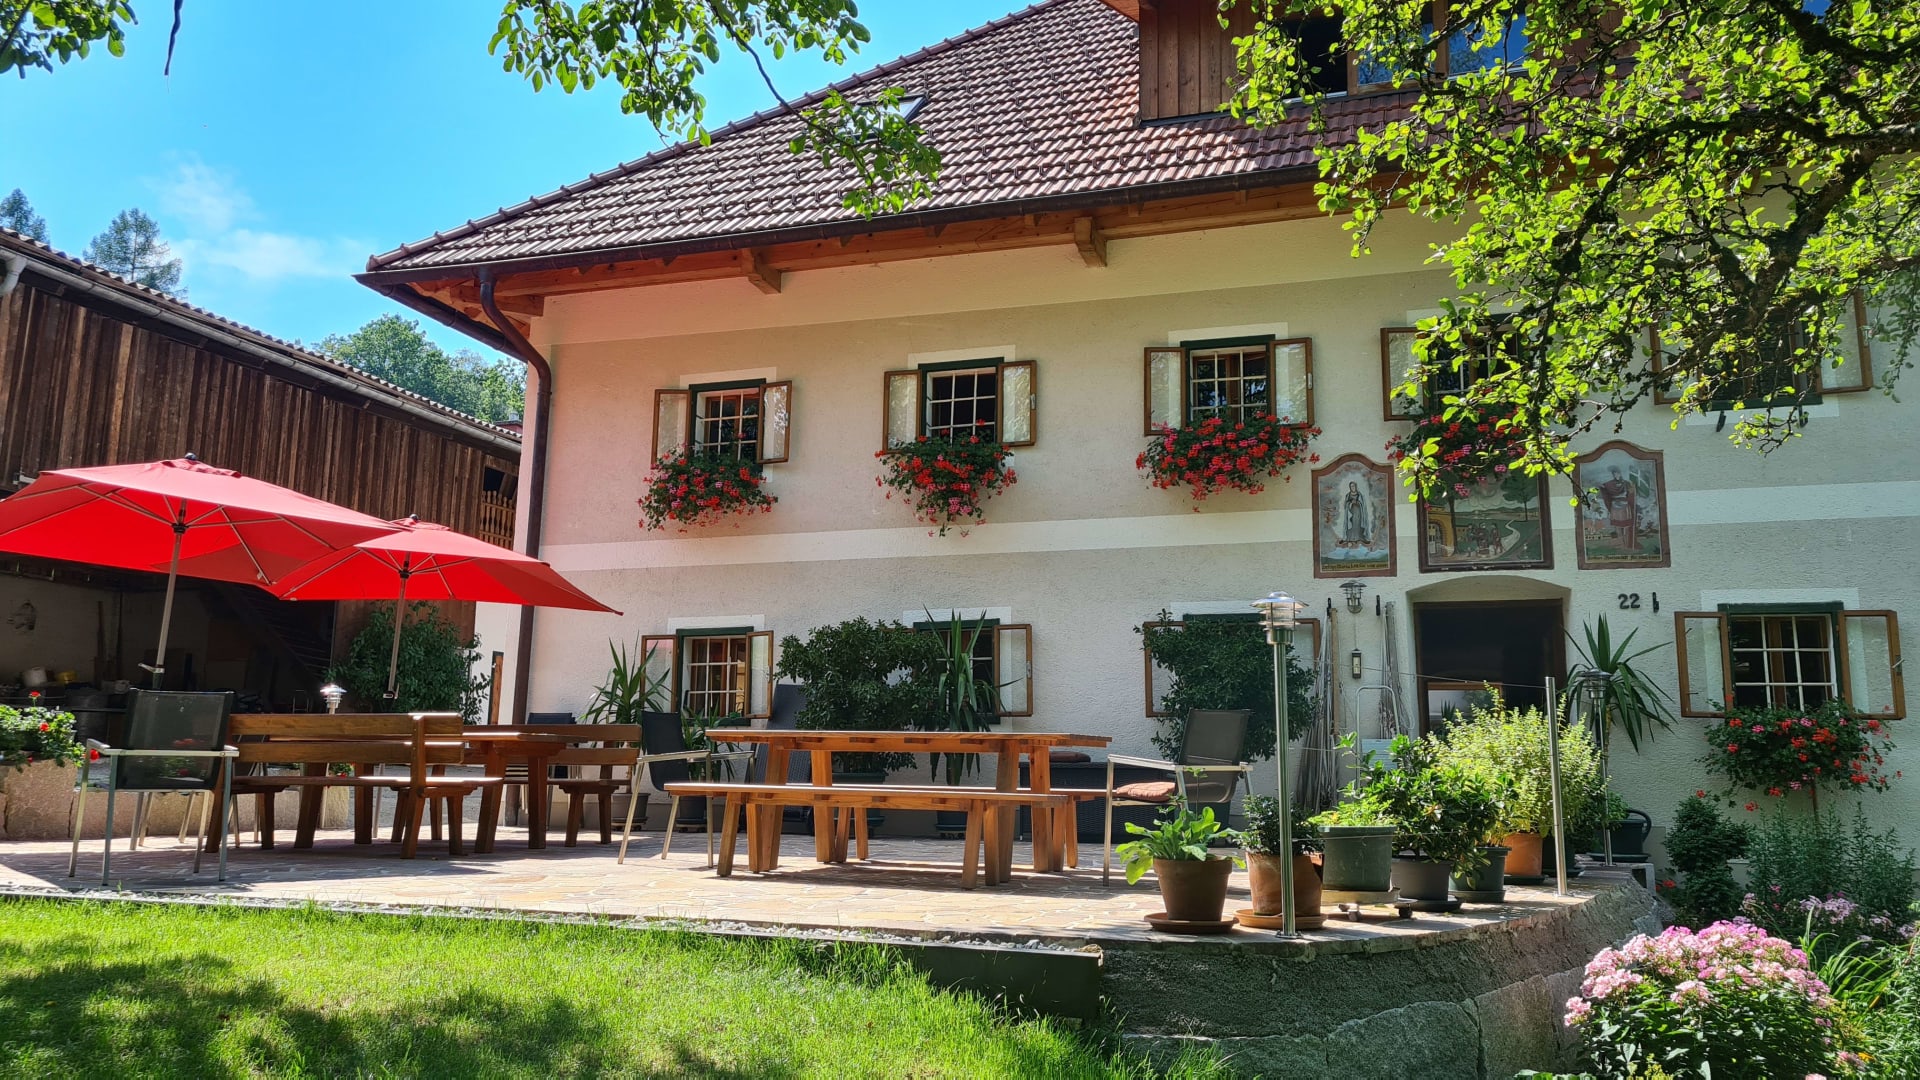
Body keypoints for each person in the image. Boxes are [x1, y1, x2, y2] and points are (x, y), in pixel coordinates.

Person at [1595, 465, 1639, 554]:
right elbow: (1603, 488)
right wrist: (1600, 486)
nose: (1616, 475)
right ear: (1613, 474)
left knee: (1626, 526)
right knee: (1618, 527)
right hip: (1615, 507)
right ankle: (1621, 544)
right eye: (1614, 473)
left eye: (1617, 473)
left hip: (1625, 506)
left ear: (1620, 473)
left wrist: (1633, 489)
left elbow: (1631, 493)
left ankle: (1627, 545)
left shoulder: (1626, 483)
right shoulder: (1609, 484)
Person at [1340, 480, 1370, 547]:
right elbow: (1345, 505)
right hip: (1350, 513)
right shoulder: (1348, 495)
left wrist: (1356, 502)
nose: (1352, 487)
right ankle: (1349, 538)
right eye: (1351, 486)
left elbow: (1362, 504)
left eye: (1353, 486)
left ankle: (1360, 538)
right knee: (1350, 524)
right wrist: (1350, 502)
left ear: (1356, 486)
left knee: (1357, 524)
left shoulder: (1360, 495)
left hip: (1358, 513)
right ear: (1350, 487)